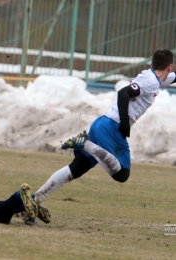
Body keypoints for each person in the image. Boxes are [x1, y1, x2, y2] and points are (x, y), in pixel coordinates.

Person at [33, 49, 176, 205]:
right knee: (122, 174)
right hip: (112, 127)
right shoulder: (152, 82)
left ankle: (36, 198)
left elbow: (170, 78)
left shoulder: (152, 78)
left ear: (151, 63)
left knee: (76, 169)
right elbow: (123, 93)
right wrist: (124, 122)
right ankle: (85, 144)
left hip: (102, 123)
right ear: (170, 66)